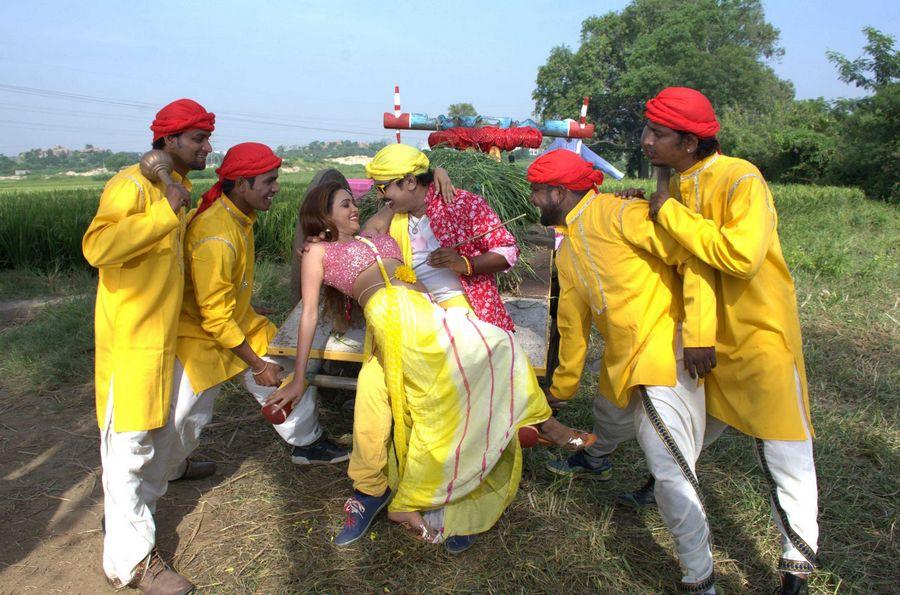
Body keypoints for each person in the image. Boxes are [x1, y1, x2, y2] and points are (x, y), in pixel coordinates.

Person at [267, 180, 593, 554]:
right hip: (391, 320)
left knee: (493, 351)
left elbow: (404, 189)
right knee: (459, 369)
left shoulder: (375, 230)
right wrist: (298, 379)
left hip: (428, 312)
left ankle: (505, 436)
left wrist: (434, 169)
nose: (354, 210)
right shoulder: (317, 252)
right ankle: (379, 491)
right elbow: (309, 314)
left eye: (354, 203)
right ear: (322, 216)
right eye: (344, 205)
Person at [640, 86, 819, 595]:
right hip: (707, 338)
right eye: (647, 130)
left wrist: (668, 212)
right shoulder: (678, 181)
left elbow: (739, 256)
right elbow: (692, 265)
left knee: (786, 450)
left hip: (758, 334)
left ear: (692, 142)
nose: (647, 141)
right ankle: (664, 482)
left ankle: (796, 563)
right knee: (690, 429)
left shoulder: (742, 178)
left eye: (658, 134)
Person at [529, 149, 722, 593]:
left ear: (558, 191)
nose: (534, 200)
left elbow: (692, 257)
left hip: (666, 354)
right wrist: (560, 390)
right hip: (622, 357)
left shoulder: (620, 214)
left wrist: (697, 334)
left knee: (669, 465)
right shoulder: (568, 246)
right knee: (608, 413)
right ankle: (595, 460)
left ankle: (701, 578)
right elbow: (571, 328)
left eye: (538, 192)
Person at [329, 145, 521, 549]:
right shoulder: (395, 217)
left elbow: (508, 250)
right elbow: (369, 234)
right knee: (371, 387)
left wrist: (464, 263)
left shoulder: (463, 204)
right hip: (409, 322)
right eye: (379, 188)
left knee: (462, 403)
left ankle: (463, 498)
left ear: (410, 181)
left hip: (463, 317)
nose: (380, 196)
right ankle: (371, 487)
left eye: (386, 187)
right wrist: (419, 184)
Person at [82, 98, 215, 593]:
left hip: (165, 334)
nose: (206, 147)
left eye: (207, 138)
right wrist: (163, 214)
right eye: (198, 139)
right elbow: (97, 246)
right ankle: (132, 561)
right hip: (132, 340)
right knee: (127, 448)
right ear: (168, 141)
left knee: (168, 422)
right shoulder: (130, 185)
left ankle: (174, 469)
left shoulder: (175, 186)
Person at [175, 142, 348, 468]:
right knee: (185, 418)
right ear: (242, 184)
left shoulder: (237, 218)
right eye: (269, 181)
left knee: (285, 370)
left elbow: (222, 290)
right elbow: (214, 319)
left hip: (234, 323)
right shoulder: (216, 236)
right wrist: (257, 364)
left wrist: (246, 307)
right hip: (199, 337)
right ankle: (168, 470)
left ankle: (307, 444)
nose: (276, 188)